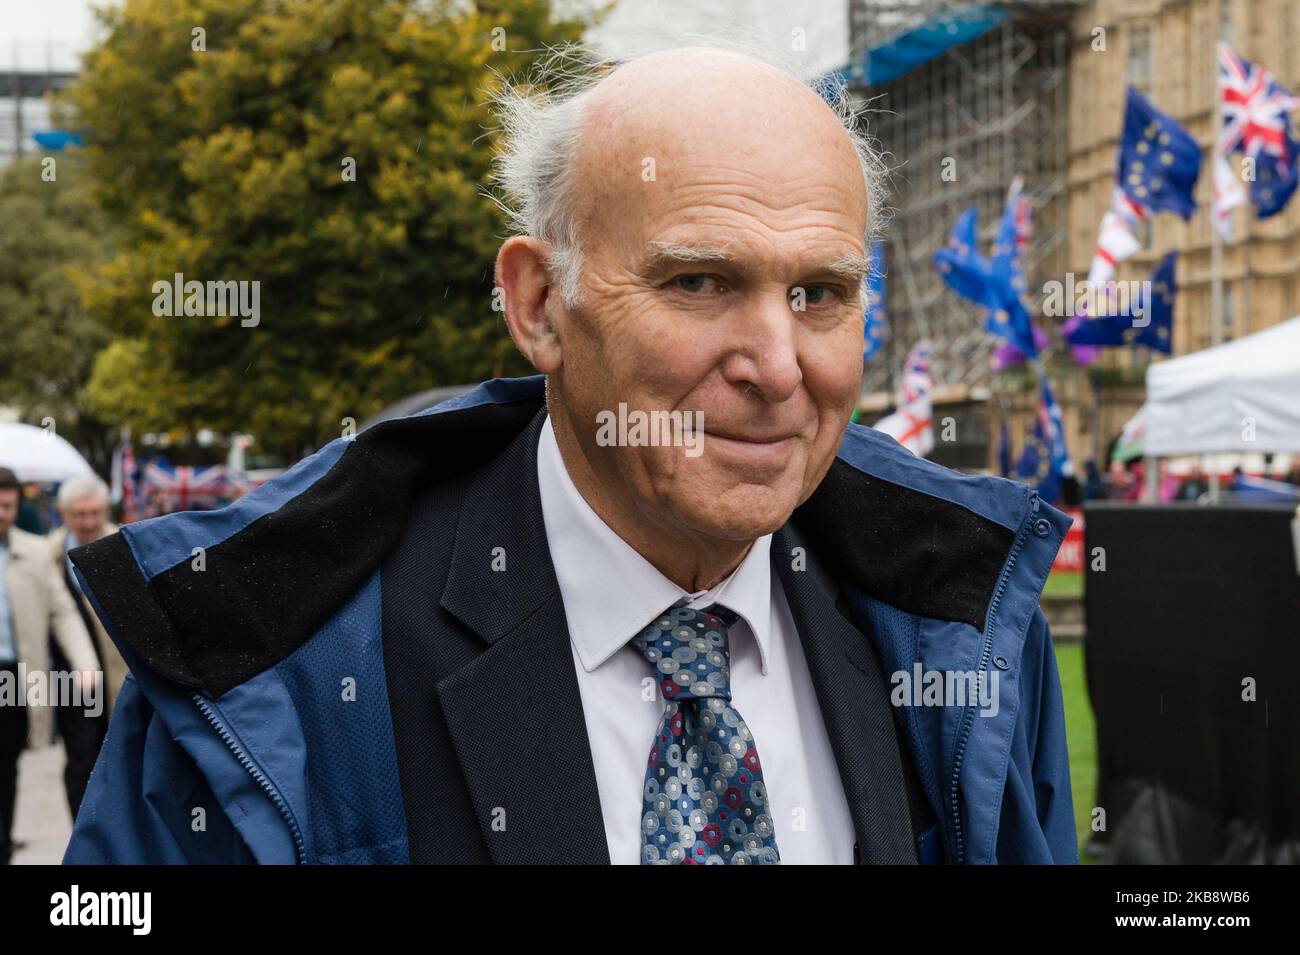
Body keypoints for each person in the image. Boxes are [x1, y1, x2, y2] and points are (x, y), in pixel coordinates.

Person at [64, 41, 1076, 865]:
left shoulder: (967, 628)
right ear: (540, 305)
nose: (778, 366)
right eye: (698, 283)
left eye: (818, 292)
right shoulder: (271, 667)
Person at [0, 467, 99, 864]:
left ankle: (3, 845)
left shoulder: (35, 553)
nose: (0, 513)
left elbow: (63, 614)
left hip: (11, 676)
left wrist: (84, 662)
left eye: (7, 506)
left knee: (5, 765)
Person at [47, 474, 129, 818]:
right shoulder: (46, 554)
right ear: (63, 513)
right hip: (68, 679)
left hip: (116, 675)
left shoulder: (123, 545)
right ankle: (84, 838)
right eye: (79, 515)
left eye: (94, 513)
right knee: (81, 759)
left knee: (119, 759)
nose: (88, 522)